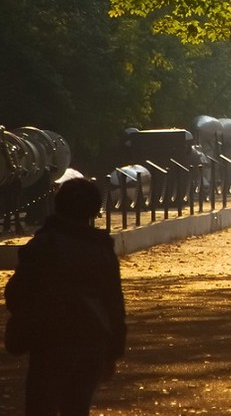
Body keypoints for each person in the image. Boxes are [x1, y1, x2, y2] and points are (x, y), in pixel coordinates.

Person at [3, 177, 127, 415]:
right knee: (77, 408)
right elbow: (114, 303)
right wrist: (113, 352)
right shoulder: (102, 248)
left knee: (41, 406)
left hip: (50, 340)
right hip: (92, 340)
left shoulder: (43, 245)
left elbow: (16, 293)